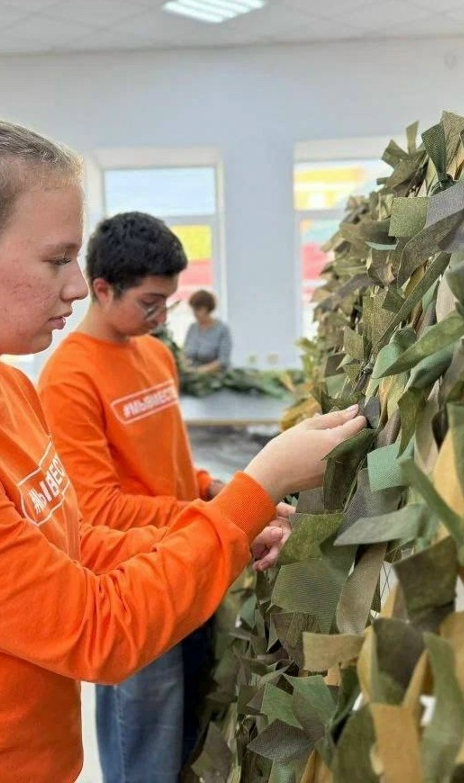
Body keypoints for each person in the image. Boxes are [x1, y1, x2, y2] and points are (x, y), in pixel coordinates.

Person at [0, 115, 365, 783]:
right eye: (55, 259)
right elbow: (97, 630)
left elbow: (69, 546)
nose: (74, 286)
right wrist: (257, 487)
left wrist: (233, 530)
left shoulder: (5, 388)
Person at [38, 213, 279, 782]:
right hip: (133, 586)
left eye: (167, 302)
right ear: (102, 289)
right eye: (150, 302)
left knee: (189, 729)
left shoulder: (155, 355)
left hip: (191, 562)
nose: (160, 316)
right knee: (143, 749)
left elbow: (168, 464)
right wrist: (224, 514)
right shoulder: (68, 379)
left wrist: (214, 488)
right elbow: (97, 510)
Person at [183, 289, 231, 373]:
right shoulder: (192, 328)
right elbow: (185, 353)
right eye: (193, 309)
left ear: (207, 309)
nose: (195, 313)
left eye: (198, 309)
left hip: (216, 377)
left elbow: (223, 360)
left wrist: (201, 371)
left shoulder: (222, 329)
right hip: (192, 375)